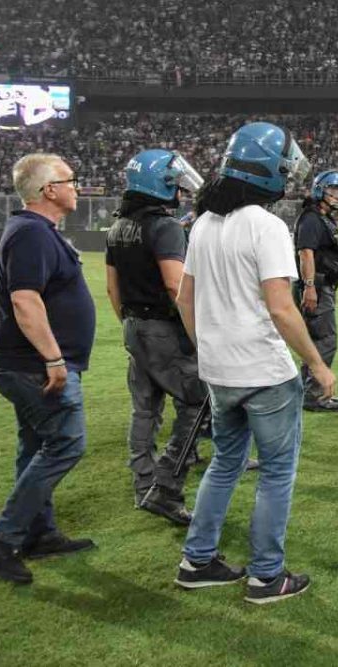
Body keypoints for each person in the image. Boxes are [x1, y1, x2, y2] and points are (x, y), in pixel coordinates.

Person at [173, 122, 336, 604]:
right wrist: (318, 365)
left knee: (223, 464)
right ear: (269, 172)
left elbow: (185, 298)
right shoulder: (266, 226)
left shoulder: (203, 223)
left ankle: (196, 561)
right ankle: (267, 577)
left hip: (219, 370)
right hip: (264, 373)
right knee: (276, 474)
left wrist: (210, 346)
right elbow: (281, 307)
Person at [0, 153, 97, 584]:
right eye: (70, 180)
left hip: (25, 364)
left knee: (35, 446)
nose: (76, 186)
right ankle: (3, 536)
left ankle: (38, 533)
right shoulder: (31, 234)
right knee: (66, 443)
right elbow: (25, 301)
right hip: (32, 366)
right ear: (49, 190)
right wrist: (53, 357)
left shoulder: (37, 231)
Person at [105, 149, 207, 526]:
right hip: (164, 329)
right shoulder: (164, 227)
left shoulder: (118, 227)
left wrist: (133, 328)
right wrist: (198, 333)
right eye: (174, 186)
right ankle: (166, 484)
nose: (179, 193)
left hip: (134, 325)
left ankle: (143, 483)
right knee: (197, 403)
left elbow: (112, 290)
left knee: (145, 409)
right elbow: (174, 283)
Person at [294, 170, 338, 412]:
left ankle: (307, 391)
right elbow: (305, 253)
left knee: (316, 340)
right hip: (317, 285)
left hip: (321, 284)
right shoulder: (311, 219)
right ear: (321, 191)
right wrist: (310, 287)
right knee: (325, 339)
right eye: (335, 190)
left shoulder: (320, 217)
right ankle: (315, 395)